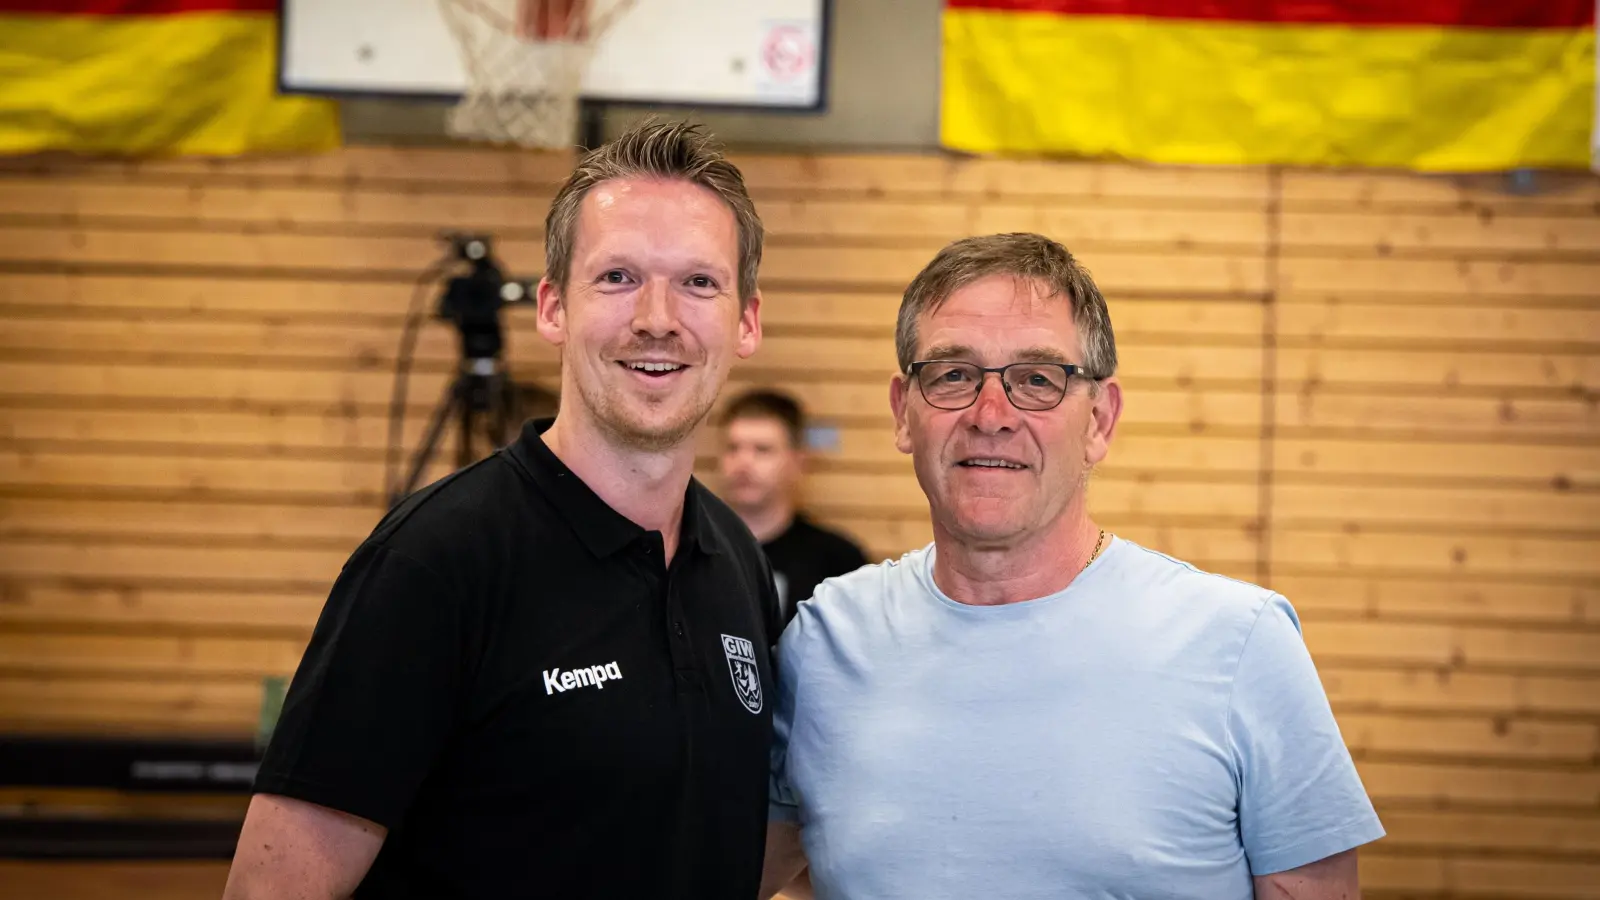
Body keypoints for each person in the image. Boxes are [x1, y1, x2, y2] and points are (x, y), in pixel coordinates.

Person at [223, 120, 781, 899]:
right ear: (553, 307)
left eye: (698, 282)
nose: (658, 317)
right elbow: (270, 891)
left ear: (745, 320)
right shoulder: (435, 561)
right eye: (618, 277)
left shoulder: (736, 559)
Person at [760, 233, 1385, 900]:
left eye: (1037, 379)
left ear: (1100, 420)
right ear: (903, 413)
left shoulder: (1241, 644)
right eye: (952, 375)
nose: (990, 415)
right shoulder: (823, 643)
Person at [717, 388, 870, 626]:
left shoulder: (838, 562)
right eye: (733, 448)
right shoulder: (691, 550)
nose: (743, 464)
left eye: (762, 450)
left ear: (797, 462)